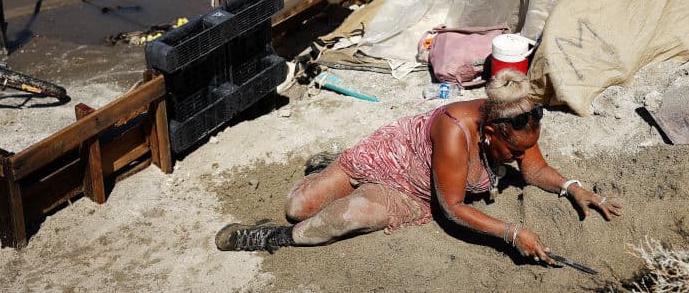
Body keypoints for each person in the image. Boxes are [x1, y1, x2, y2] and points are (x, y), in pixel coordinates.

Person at [215, 70, 623, 261]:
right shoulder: (455, 130)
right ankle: (329, 168)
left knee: (339, 219)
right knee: (299, 206)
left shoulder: (516, 121)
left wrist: (573, 186)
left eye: (523, 150)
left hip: (414, 189)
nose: (519, 159)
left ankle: (275, 238)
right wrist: (513, 233)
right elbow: (453, 207)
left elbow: (534, 169)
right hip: (395, 155)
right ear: (489, 135)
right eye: (513, 153)